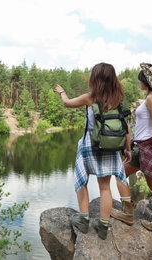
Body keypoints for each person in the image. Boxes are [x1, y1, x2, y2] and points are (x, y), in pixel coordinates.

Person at [54, 62, 131, 240]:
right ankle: (103, 226)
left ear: (94, 79)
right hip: (111, 147)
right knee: (105, 187)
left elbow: (67, 103)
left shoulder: (90, 98)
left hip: (91, 146)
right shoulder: (118, 100)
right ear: (113, 79)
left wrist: (62, 92)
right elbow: (126, 128)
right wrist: (127, 149)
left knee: (82, 181)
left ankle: (84, 219)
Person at [111, 62, 152, 236]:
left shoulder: (151, 98)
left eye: (141, 78)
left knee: (120, 174)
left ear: (146, 81)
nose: (139, 80)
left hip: (147, 148)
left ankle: (128, 212)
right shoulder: (151, 98)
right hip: (141, 146)